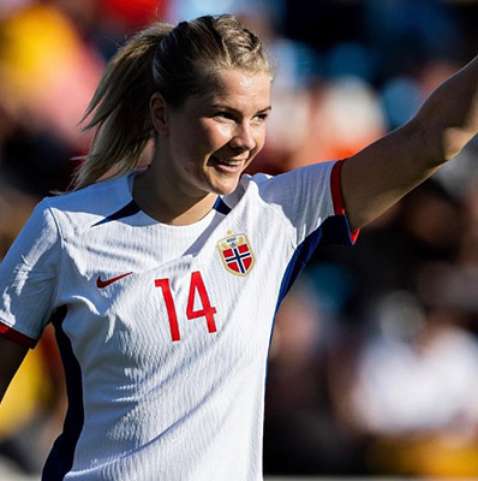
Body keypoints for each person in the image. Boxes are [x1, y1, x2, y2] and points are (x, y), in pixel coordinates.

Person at [0, 13, 476, 481]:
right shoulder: (67, 229)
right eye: (224, 115)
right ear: (162, 114)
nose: (245, 140)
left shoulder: (277, 214)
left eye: (260, 117)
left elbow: (431, 138)